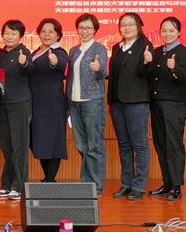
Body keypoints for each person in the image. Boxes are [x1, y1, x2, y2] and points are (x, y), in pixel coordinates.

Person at [107, 12, 154, 201]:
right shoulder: (116, 47)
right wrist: (111, 101)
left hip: (136, 102)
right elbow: (113, 76)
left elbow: (144, 73)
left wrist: (147, 62)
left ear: (139, 26)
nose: (126, 28)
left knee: (140, 145)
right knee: (124, 145)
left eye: (130, 24)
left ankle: (139, 186)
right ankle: (126, 183)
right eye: (123, 24)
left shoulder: (145, 46)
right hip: (117, 103)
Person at [148, 17, 186, 201]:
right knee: (161, 145)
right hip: (156, 103)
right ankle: (167, 183)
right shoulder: (157, 51)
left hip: (174, 104)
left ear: (179, 32)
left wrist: (174, 69)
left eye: (171, 31)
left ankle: (176, 187)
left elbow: (185, 78)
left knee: (174, 145)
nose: (167, 34)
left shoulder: (184, 52)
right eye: (164, 31)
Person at [67, 13, 109, 195]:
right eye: (81, 28)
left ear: (95, 30)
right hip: (74, 103)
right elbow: (70, 78)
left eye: (88, 28)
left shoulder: (99, 49)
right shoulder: (73, 50)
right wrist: (67, 104)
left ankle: (96, 186)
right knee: (81, 145)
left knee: (94, 145)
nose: (84, 31)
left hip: (92, 102)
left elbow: (103, 73)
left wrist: (98, 69)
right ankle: (86, 183)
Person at [0, 19, 33, 201]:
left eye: (13, 33)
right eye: (7, 33)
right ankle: (7, 184)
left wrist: (25, 63)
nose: (9, 36)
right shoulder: (0, 54)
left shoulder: (24, 52)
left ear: (20, 36)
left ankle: (19, 186)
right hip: (2, 104)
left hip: (19, 104)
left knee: (19, 146)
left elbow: (30, 69)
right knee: (6, 145)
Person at [29, 18, 69, 183]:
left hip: (51, 104)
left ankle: (50, 179)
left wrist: (54, 62)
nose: (46, 34)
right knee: (39, 139)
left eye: (51, 31)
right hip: (35, 103)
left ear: (58, 35)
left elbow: (60, 63)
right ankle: (48, 178)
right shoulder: (36, 52)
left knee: (52, 139)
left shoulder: (59, 52)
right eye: (43, 31)